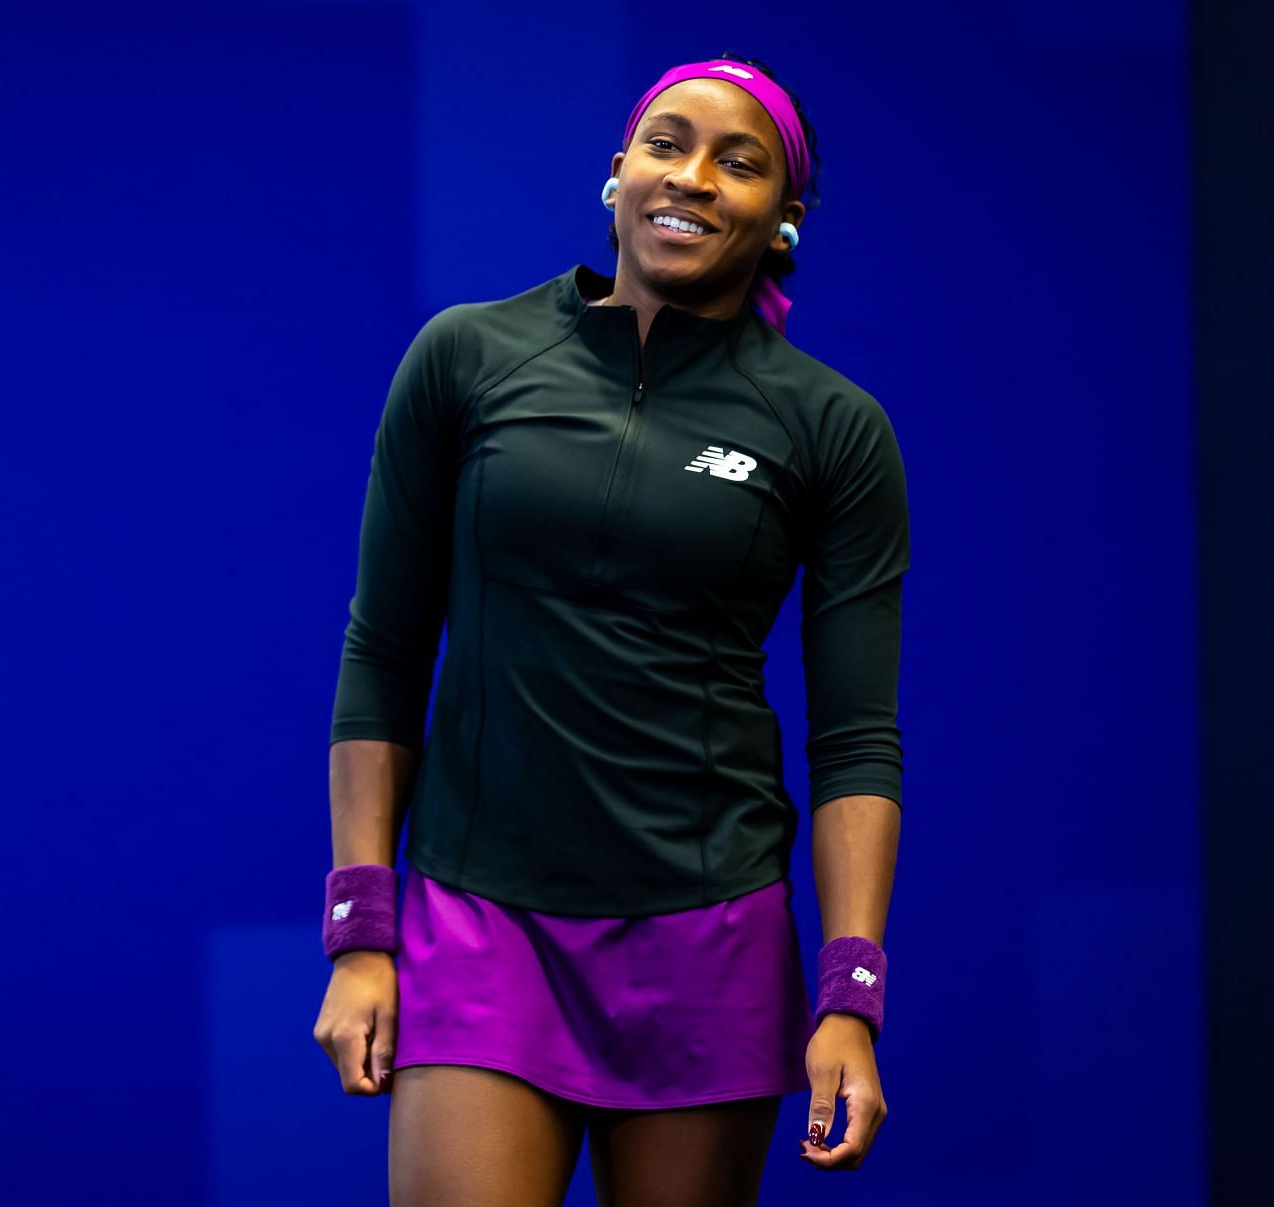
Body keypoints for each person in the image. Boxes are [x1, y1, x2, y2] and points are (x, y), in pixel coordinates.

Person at [313, 52, 906, 1205]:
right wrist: (360, 929)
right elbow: (383, 652)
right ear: (618, 171)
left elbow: (857, 740)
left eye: (742, 165)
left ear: (783, 219)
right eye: (668, 143)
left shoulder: (835, 430)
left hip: (709, 930)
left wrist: (850, 995)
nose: (694, 178)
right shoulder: (466, 358)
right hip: (477, 914)